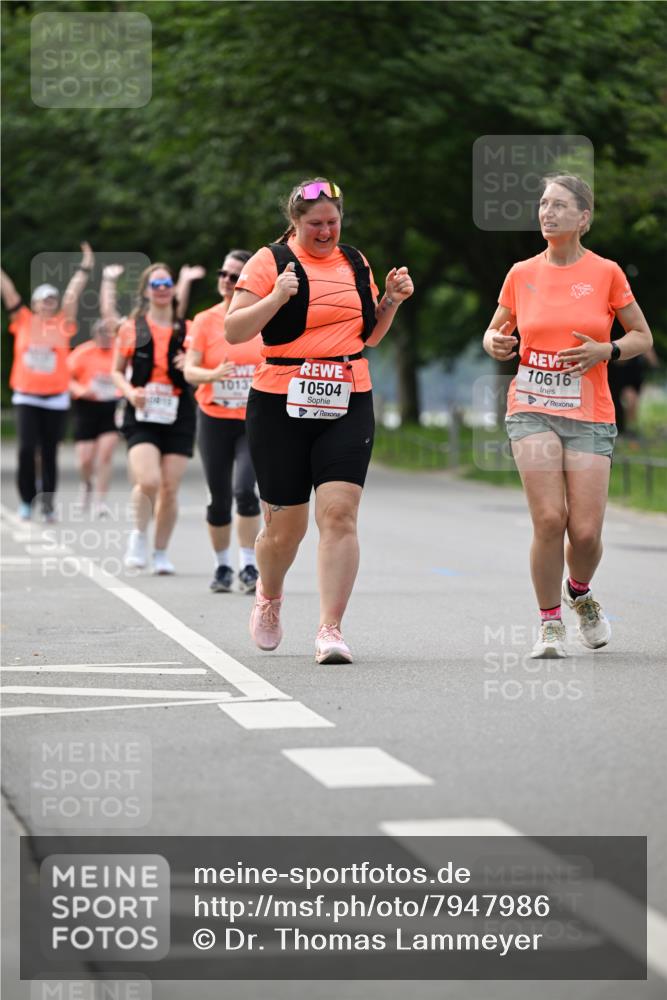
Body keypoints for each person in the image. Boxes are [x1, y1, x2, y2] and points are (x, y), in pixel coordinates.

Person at [225, 177, 413, 663]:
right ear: (295, 223)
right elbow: (234, 329)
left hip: (347, 397)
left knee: (339, 514)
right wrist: (275, 298)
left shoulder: (354, 260)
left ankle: (331, 629)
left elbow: (370, 335)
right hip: (279, 402)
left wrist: (390, 300)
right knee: (285, 529)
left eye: (332, 222)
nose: (325, 231)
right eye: (315, 224)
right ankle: (269, 595)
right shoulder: (269, 262)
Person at [483, 174, 653, 658]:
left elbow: (642, 336)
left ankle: (578, 593)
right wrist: (493, 342)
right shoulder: (521, 273)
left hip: (590, 412)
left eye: (558, 205)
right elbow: (495, 332)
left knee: (585, 532)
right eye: (542, 204)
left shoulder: (606, 273)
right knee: (550, 518)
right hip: (532, 406)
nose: (546, 212)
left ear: (584, 218)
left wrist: (608, 349)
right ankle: (549, 622)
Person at [184, 249, 263, 594]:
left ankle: (248, 565)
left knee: (245, 491)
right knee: (219, 498)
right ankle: (222, 567)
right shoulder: (204, 320)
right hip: (214, 417)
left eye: (234, 276)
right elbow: (189, 369)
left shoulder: (264, 318)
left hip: (252, 420)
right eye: (223, 273)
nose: (226, 281)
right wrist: (213, 374)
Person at [111, 263, 197, 574]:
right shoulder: (132, 328)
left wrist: (191, 362)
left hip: (178, 412)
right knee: (148, 481)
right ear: (146, 291)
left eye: (167, 283)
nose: (161, 288)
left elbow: (200, 371)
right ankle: (138, 536)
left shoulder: (188, 329)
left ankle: (160, 552)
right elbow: (117, 372)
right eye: (155, 283)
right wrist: (129, 392)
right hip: (142, 411)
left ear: (172, 289)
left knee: (170, 488)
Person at [1, 243, 93, 521]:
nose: (48, 303)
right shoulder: (23, 320)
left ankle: (48, 502)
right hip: (27, 396)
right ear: (35, 303)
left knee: (50, 451)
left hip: (55, 397)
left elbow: (73, 294)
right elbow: (8, 291)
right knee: (27, 448)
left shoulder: (63, 323)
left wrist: (85, 267)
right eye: (44, 300)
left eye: (52, 300)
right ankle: (27, 500)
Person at [67, 315, 121, 517]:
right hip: (86, 408)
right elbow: (65, 378)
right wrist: (80, 390)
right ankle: (87, 484)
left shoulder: (119, 352)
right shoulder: (83, 353)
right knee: (85, 460)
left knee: (105, 455)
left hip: (110, 407)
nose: (106, 337)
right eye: (102, 333)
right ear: (95, 334)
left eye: (109, 333)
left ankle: (100, 501)